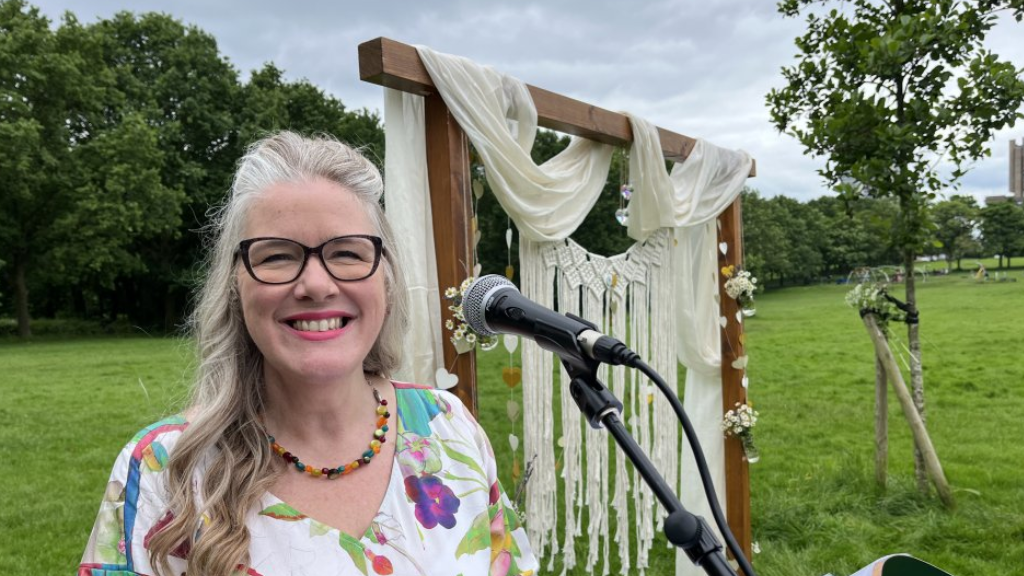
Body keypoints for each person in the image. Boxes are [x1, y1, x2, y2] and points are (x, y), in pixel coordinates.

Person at [79, 132, 537, 576]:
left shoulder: (448, 426)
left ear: (387, 279)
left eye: (347, 253)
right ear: (235, 286)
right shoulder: (165, 470)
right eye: (277, 256)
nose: (317, 285)